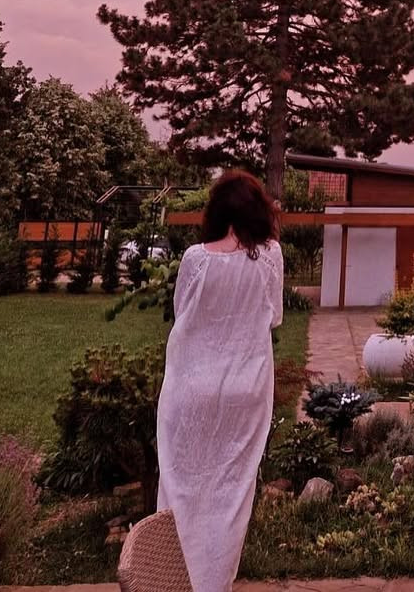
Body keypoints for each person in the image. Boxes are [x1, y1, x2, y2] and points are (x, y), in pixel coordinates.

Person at [156, 169, 284, 592]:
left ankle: (176, 580)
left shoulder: (195, 259)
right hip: (245, 391)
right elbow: (275, 316)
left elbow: (183, 314)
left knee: (183, 489)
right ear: (257, 211)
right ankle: (215, 583)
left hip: (191, 389)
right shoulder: (270, 256)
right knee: (231, 496)